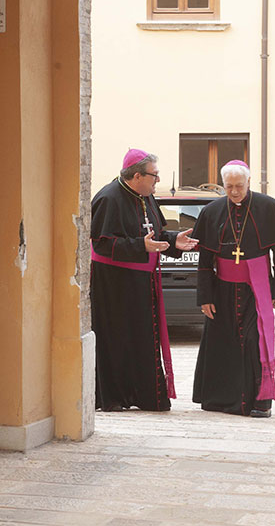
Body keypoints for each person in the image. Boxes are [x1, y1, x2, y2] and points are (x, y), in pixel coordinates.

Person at [90, 149, 198, 411]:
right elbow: (101, 244)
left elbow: (156, 234)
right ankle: (116, 398)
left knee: (143, 338)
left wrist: (174, 241)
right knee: (118, 340)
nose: (157, 180)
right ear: (137, 175)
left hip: (142, 282)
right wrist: (141, 246)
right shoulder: (108, 198)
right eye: (154, 175)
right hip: (115, 285)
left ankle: (146, 395)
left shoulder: (146, 197)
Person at [191, 160, 275, 417]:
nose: (235, 192)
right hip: (222, 289)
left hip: (256, 287)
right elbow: (205, 261)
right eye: (229, 187)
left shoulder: (269, 207)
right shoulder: (211, 211)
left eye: (239, 186)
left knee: (255, 341)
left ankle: (261, 402)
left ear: (248, 183)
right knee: (222, 342)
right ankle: (220, 400)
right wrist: (205, 296)